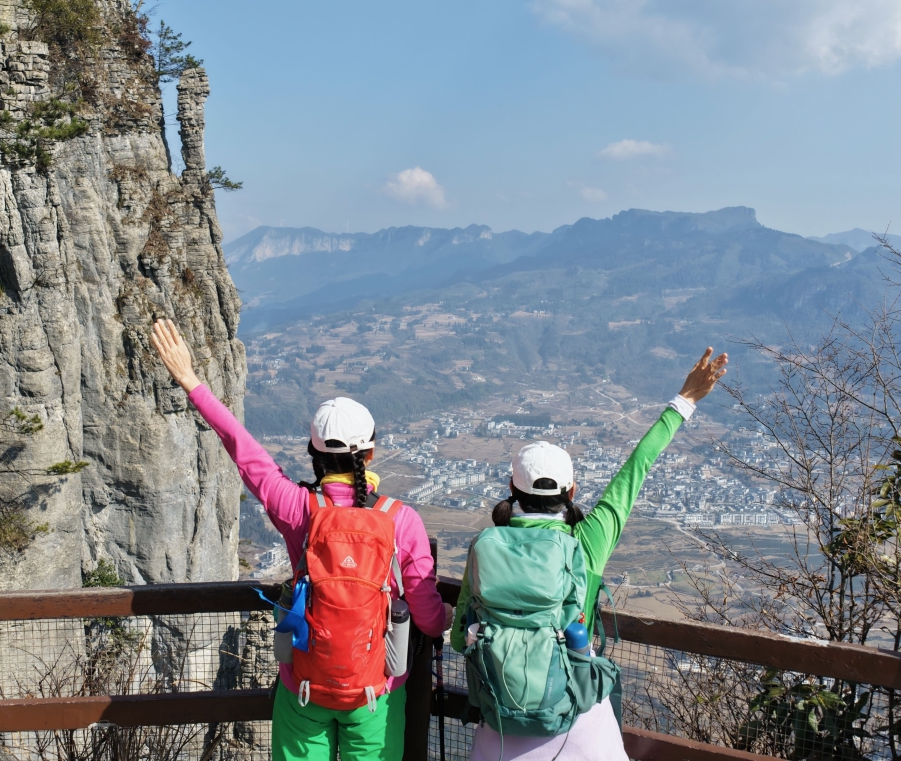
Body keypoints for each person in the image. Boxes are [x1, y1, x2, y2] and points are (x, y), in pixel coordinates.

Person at [149, 318, 450, 761]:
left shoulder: (298, 509)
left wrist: (191, 380)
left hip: (306, 685)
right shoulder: (400, 520)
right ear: (369, 454)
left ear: (313, 453)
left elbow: (245, 451)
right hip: (376, 693)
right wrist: (444, 620)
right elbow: (426, 614)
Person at [451, 348, 729, 760]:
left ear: (512, 489)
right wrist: (684, 400)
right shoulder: (588, 540)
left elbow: (461, 637)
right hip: (576, 720)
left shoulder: (486, 547)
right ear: (572, 492)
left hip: (500, 725)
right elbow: (635, 470)